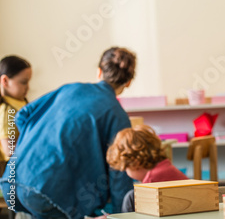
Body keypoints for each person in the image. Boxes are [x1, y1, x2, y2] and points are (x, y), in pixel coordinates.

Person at [0, 47, 137, 218]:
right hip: (52, 194)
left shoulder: (68, 89)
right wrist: (122, 215)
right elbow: (119, 175)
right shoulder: (118, 116)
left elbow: (22, 115)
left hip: (14, 181)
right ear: (129, 81)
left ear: (99, 71)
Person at [107, 125, 188, 213]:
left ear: (135, 162)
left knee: (131, 197)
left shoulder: (152, 180)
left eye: (126, 168)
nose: (125, 171)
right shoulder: (165, 166)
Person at [0, 55, 31, 172]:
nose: (27, 87)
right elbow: (8, 149)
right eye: (23, 82)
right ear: (5, 81)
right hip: (10, 169)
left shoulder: (20, 103)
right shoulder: (7, 111)